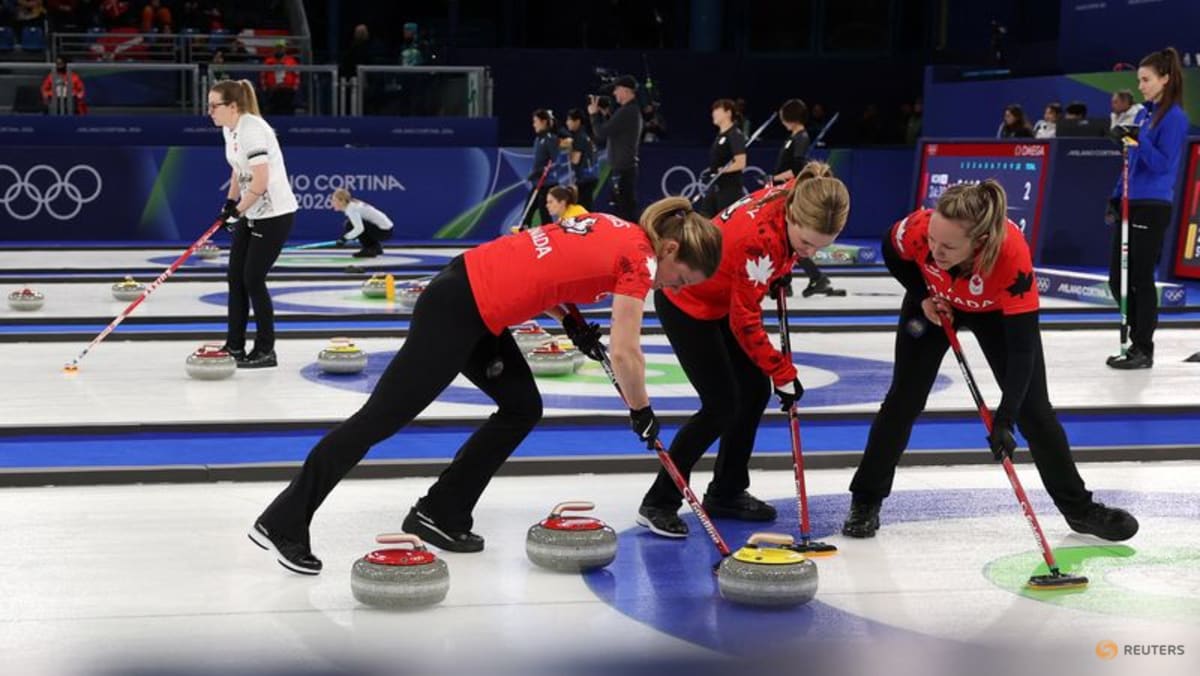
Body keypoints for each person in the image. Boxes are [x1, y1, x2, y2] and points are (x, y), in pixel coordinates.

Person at [250, 199, 724, 573]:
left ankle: (442, 511)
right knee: (378, 420)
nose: (674, 290)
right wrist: (641, 410)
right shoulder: (639, 262)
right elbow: (626, 352)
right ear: (670, 250)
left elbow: (550, 270)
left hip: (476, 304)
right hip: (458, 310)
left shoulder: (613, 225)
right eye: (680, 280)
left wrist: (573, 321)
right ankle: (283, 521)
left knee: (521, 406)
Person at [841, 180, 1138, 542]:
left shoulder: (1010, 256)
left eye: (948, 246)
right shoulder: (921, 228)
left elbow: (1022, 349)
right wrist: (922, 296)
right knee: (903, 400)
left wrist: (1005, 418)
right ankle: (866, 500)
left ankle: (1079, 510)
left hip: (994, 312)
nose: (934, 251)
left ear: (978, 242)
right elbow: (892, 250)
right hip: (935, 304)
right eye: (932, 240)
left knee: (1035, 413)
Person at [637, 162, 850, 537]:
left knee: (752, 391)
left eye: (820, 247)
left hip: (720, 297)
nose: (809, 253)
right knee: (720, 406)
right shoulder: (761, 241)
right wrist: (782, 371)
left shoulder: (789, 196)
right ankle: (659, 501)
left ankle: (727, 490)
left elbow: (752, 290)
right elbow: (745, 322)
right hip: (686, 298)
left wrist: (785, 263)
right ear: (792, 218)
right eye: (805, 244)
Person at [1105, 48, 1188, 369]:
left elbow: (1162, 163)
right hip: (1130, 200)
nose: (1140, 85)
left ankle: (1143, 347)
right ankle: (1135, 339)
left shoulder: (1175, 118)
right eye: (1139, 79)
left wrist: (1137, 140)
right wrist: (1114, 197)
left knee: (1139, 277)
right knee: (1118, 279)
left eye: (1146, 79)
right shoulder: (1143, 114)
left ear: (1165, 79)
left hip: (1153, 203)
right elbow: (1132, 161)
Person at [209, 79, 298, 369]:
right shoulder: (229, 129)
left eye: (214, 105)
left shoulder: (253, 130)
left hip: (274, 213)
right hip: (253, 211)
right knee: (235, 277)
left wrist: (237, 211)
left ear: (232, 106)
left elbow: (260, 180)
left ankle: (265, 350)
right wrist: (229, 204)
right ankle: (234, 345)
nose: (210, 111)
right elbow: (238, 171)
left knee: (253, 279)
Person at [770, 98, 839, 298]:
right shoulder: (793, 137)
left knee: (790, 237)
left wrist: (774, 179)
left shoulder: (801, 137)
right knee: (785, 237)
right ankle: (789, 281)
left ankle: (816, 277)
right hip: (783, 189)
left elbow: (798, 169)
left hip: (790, 191)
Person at [588, 74, 642, 222]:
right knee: (623, 208)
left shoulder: (627, 111)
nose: (614, 93)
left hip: (623, 169)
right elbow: (615, 131)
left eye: (616, 89)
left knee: (625, 211)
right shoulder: (629, 111)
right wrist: (606, 116)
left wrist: (594, 115)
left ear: (626, 91)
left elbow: (601, 133)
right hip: (623, 168)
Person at [698, 98, 747, 219]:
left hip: (729, 190)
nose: (713, 113)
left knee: (725, 224)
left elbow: (741, 163)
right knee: (704, 219)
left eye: (717, 110)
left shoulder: (735, 134)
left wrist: (722, 171)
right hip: (716, 187)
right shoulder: (720, 136)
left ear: (728, 113)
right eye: (713, 110)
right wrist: (712, 171)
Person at [331, 188, 393, 258]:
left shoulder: (351, 208)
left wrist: (344, 239)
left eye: (334, 200)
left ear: (342, 201)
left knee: (350, 225)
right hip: (386, 229)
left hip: (383, 231)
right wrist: (346, 238)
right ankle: (375, 247)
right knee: (350, 224)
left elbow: (359, 229)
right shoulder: (352, 205)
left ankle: (370, 249)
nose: (332, 203)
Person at [522, 108, 558, 228]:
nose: (534, 124)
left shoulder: (550, 139)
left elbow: (555, 161)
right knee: (527, 212)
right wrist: (535, 174)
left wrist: (541, 171)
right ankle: (524, 236)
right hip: (537, 183)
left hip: (547, 184)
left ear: (543, 122)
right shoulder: (538, 139)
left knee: (544, 215)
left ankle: (550, 240)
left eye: (535, 121)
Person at [565, 109, 599, 210]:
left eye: (569, 120)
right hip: (592, 176)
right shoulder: (586, 134)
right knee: (586, 206)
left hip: (585, 178)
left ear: (577, 121)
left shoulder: (578, 137)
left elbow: (575, 160)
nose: (567, 123)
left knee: (583, 208)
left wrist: (569, 149)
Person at [260, 40, 299, 116]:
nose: (279, 50)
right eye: (277, 48)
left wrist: (294, 88)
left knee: (287, 105)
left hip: (288, 89)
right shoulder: (268, 61)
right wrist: (265, 88)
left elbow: (297, 75)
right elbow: (263, 76)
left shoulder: (291, 61)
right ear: (275, 49)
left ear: (284, 49)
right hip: (273, 90)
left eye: (281, 48)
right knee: (273, 106)